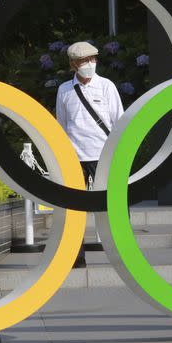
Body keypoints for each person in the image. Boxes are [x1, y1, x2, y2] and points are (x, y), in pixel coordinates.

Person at [55, 41, 124, 268]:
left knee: (113, 204)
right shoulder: (65, 90)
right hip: (75, 156)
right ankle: (76, 256)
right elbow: (62, 126)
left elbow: (119, 121)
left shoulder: (106, 86)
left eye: (93, 59)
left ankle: (123, 252)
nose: (90, 64)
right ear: (74, 64)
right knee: (74, 208)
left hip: (104, 154)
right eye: (84, 61)